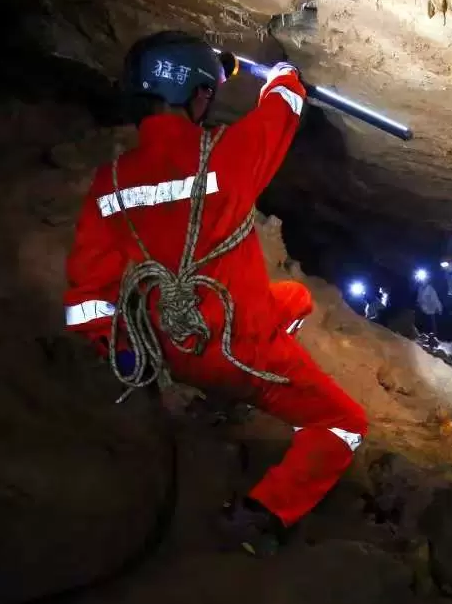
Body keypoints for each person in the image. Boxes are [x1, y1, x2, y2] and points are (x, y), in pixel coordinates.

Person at [63, 31, 367, 555]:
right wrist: (286, 72)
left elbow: (88, 294)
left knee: (294, 298)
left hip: (168, 347)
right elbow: (282, 111)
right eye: (209, 91)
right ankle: (261, 514)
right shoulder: (224, 155)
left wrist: (123, 351)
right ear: (198, 96)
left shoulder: (110, 182)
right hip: (238, 350)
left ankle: (221, 397)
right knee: (344, 422)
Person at [415, 271, 443, 336]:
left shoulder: (430, 289)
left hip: (431, 311)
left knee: (432, 328)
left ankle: (434, 337)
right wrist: (418, 304)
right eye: (422, 280)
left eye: (424, 280)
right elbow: (419, 299)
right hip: (423, 311)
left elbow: (435, 299)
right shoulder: (420, 289)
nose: (423, 281)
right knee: (424, 328)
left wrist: (439, 309)